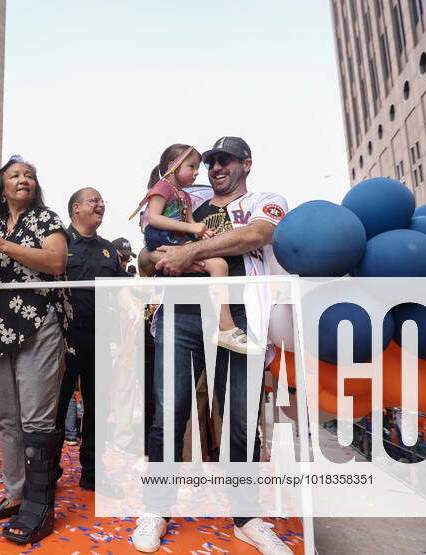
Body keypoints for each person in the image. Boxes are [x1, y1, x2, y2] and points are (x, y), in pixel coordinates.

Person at [132, 137, 291, 554]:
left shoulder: (265, 199)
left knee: (240, 418)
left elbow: (254, 236)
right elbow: (146, 258)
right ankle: (157, 508)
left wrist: (190, 252)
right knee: (169, 413)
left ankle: (246, 517)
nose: (216, 167)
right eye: (211, 161)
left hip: (239, 317)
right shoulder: (188, 206)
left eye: (226, 160)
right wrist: (157, 257)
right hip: (180, 313)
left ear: (247, 163)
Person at [0, 157, 69, 545]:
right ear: (2, 187)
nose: (23, 179)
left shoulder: (45, 219)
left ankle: (40, 505)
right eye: (15, 175)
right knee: (8, 419)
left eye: (29, 175)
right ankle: (15, 495)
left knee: (37, 421)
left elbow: (57, 261)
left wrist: (2, 246)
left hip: (38, 322)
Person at [132, 143, 260, 354]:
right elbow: (151, 218)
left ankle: (223, 325)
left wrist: (201, 234)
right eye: (192, 167)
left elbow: (192, 225)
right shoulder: (162, 188)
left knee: (212, 265)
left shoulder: (186, 196)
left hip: (180, 241)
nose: (198, 172)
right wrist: (191, 228)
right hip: (162, 237)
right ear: (173, 165)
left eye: (198, 167)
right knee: (218, 264)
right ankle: (226, 327)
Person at [52, 187, 129, 492]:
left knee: (98, 406)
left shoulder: (109, 250)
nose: (100, 204)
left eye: (101, 200)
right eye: (93, 200)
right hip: (63, 339)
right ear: (75, 208)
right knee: (57, 406)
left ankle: (93, 472)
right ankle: (49, 470)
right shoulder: (58, 243)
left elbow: (125, 286)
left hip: (100, 337)